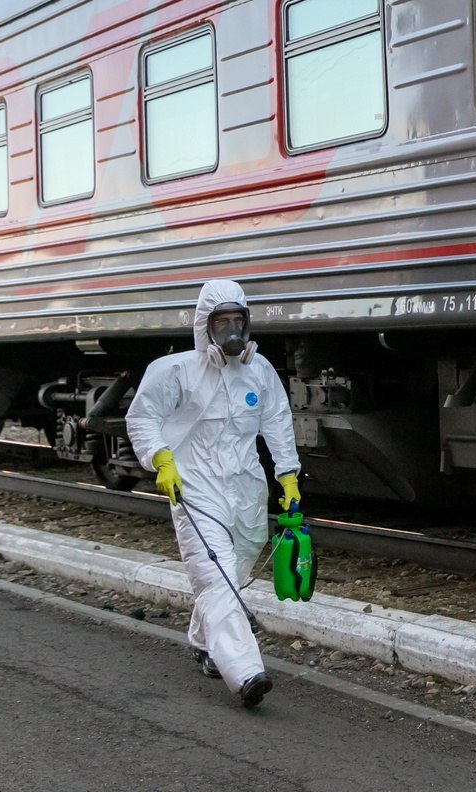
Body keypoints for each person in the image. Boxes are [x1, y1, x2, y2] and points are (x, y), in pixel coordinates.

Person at [125, 278, 302, 708]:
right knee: (215, 571)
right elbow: (142, 417)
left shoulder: (259, 372)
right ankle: (245, 671)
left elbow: (277, 422)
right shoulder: (175, 371)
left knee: (234, 569)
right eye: (221, 321)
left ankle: (204, 642)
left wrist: (289, 475)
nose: (231, 331)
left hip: (246, 489)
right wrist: (160, 459)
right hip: (196, 487)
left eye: (237, 320)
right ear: (205, 324)